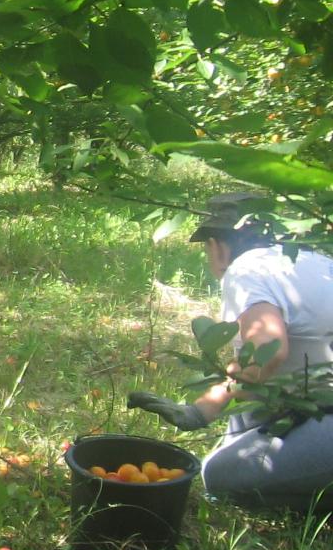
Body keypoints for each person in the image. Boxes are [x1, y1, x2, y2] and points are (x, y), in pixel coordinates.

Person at [129, 192, 333, 512]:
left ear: (217, 245)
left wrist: (203, 408)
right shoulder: (317, 261)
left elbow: (269, 350)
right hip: (319, 413)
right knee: (235, 451)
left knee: (218, 477)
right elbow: (273, 384)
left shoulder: (247, 271)